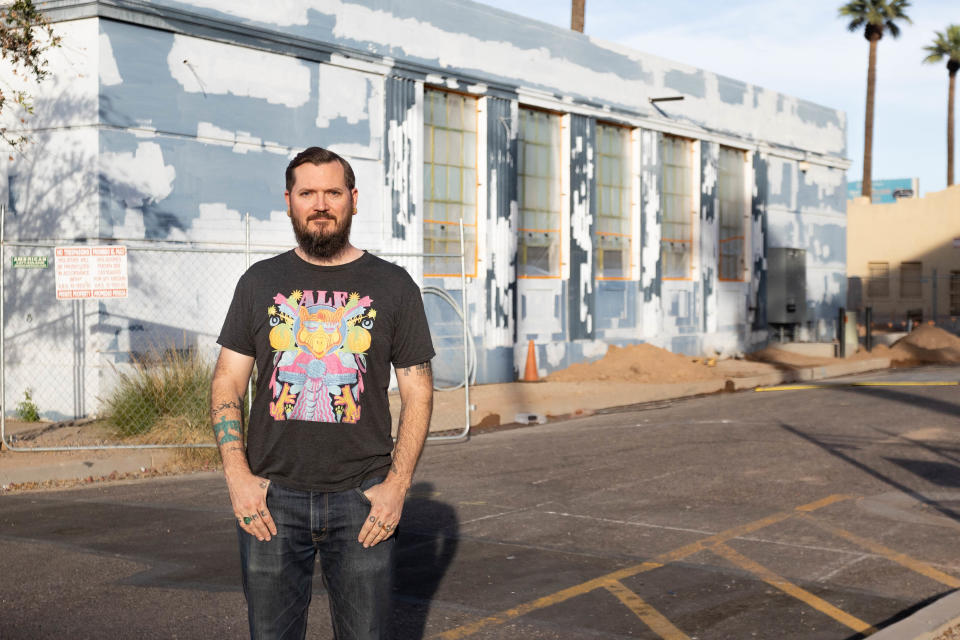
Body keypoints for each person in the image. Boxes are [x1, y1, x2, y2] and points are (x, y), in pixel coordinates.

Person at [210, 146, 435, 640]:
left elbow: (418, 393)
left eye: (333, 192)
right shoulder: (259, 282)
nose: (320, 204)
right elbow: (228, 380)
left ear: (353, 199)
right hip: (269, 498)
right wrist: (236, 476)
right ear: (288, 201)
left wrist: (397, 487)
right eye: (307, 193)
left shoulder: (393, 286)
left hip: (363, 500)